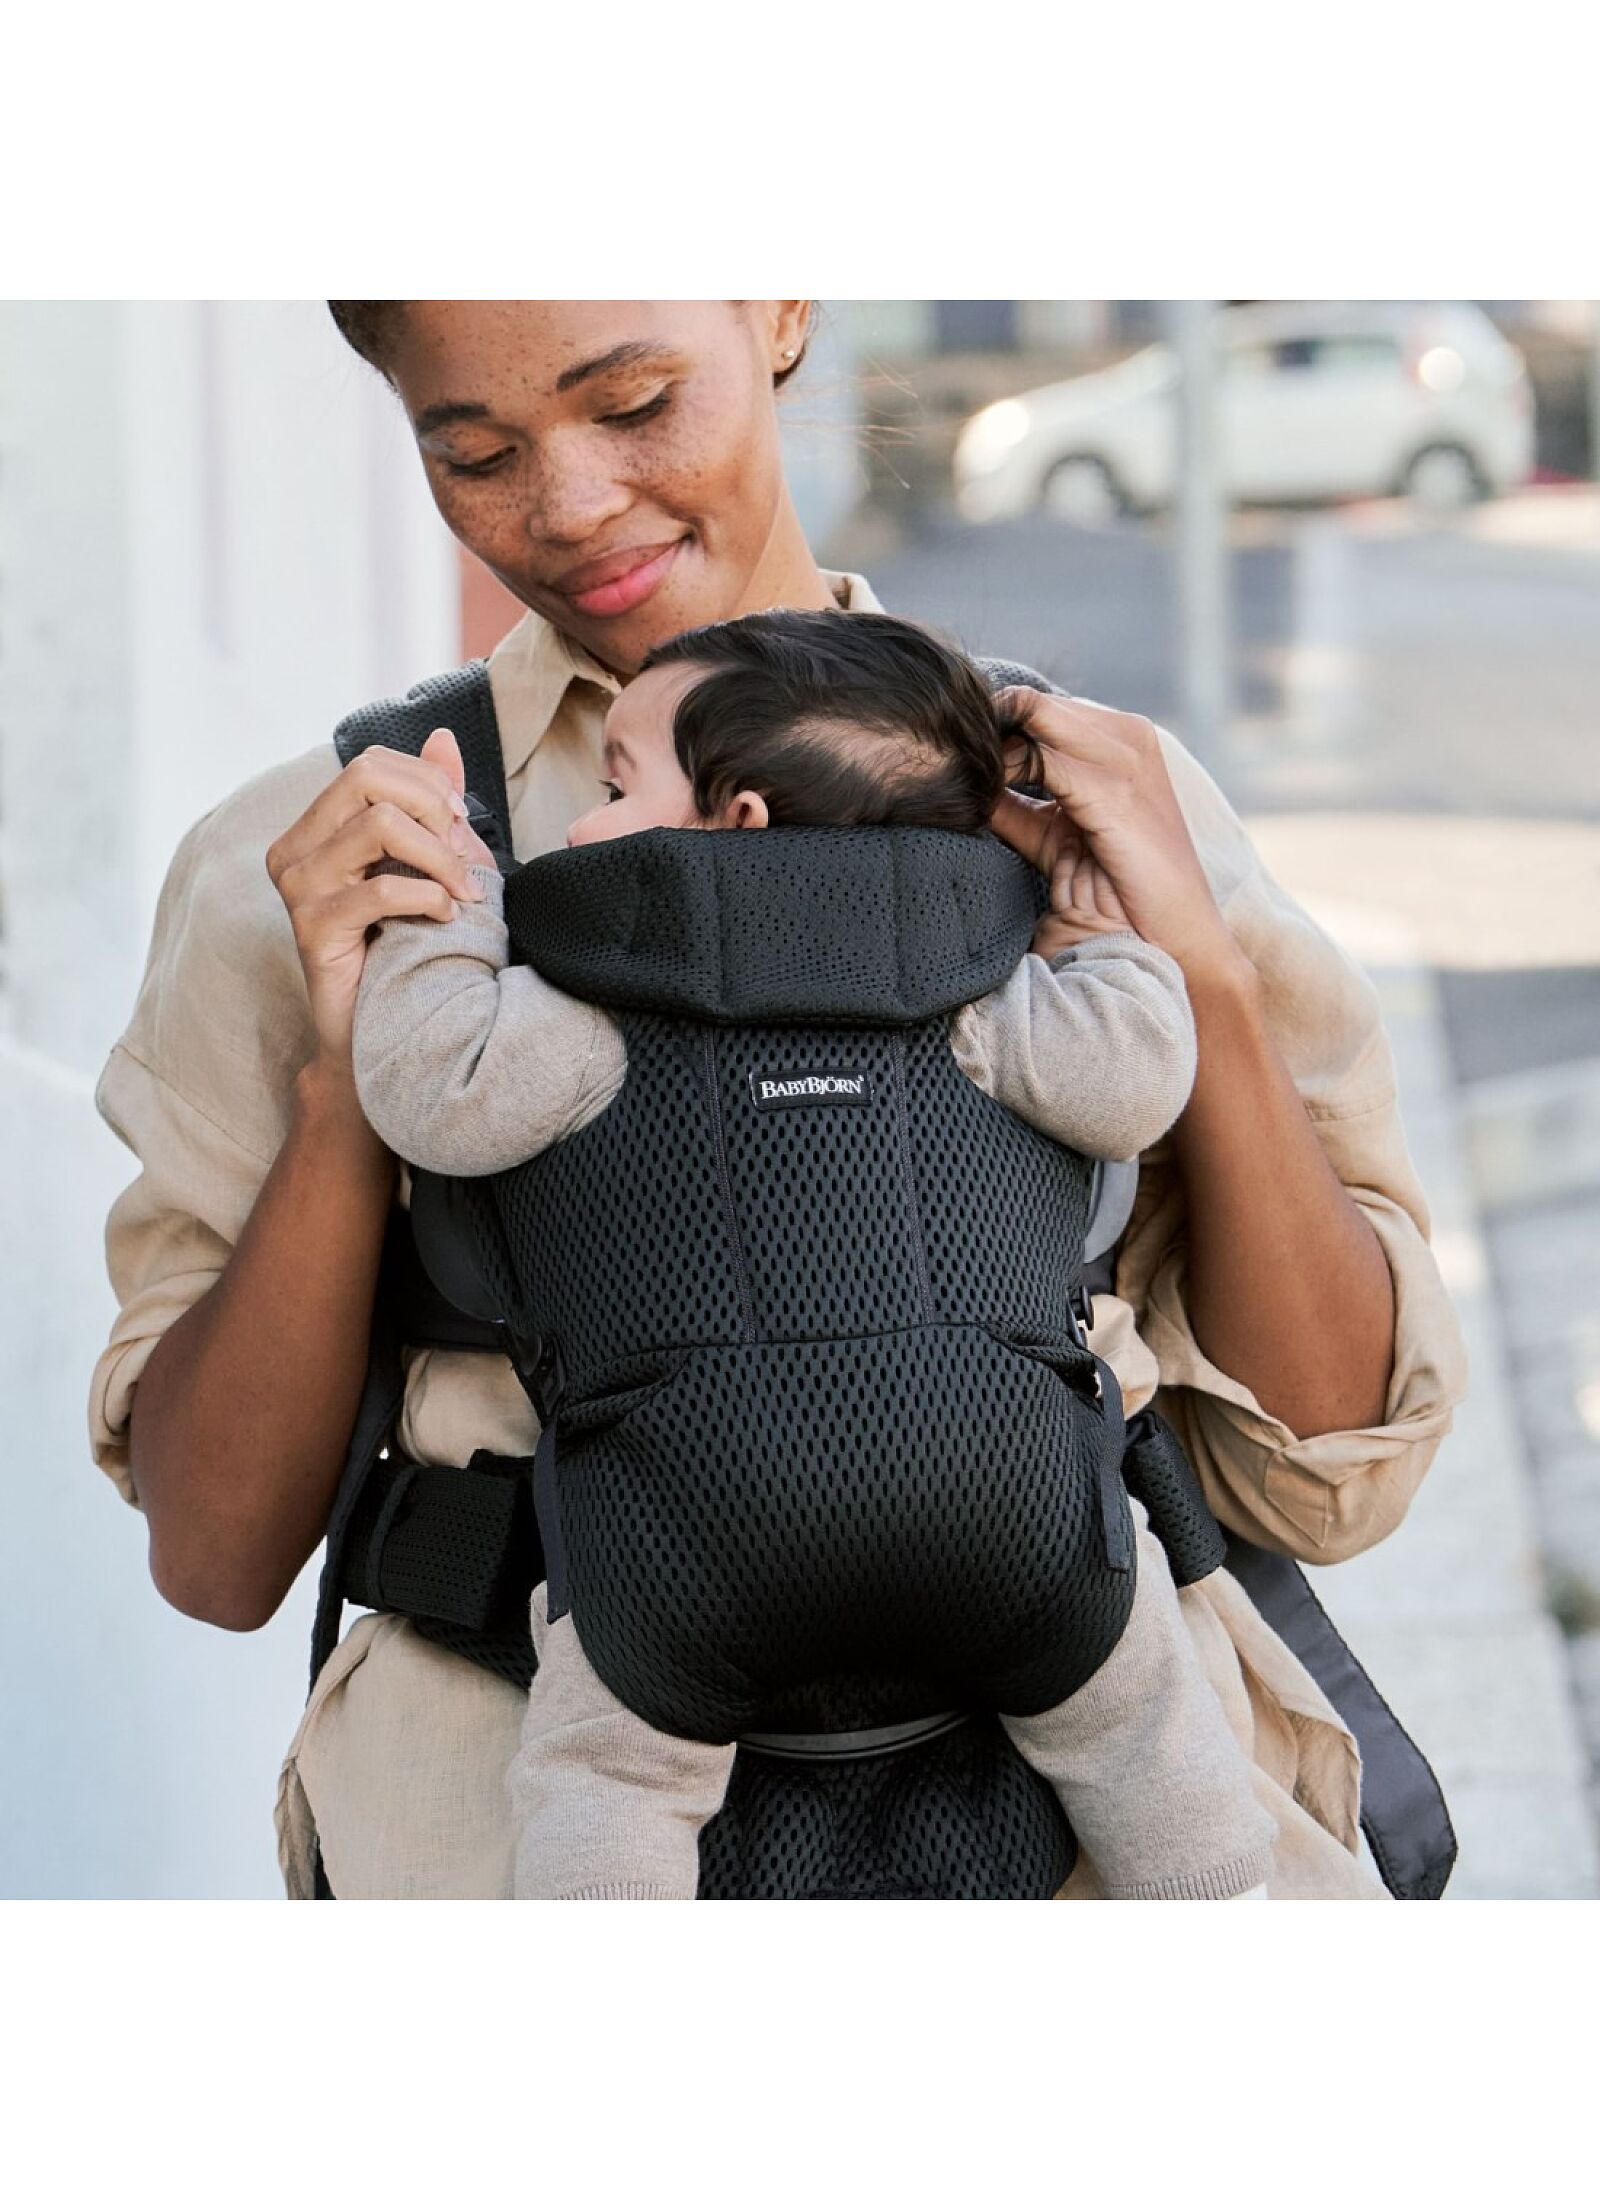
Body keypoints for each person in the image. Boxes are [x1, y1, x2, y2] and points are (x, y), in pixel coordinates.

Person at [87, 301, 1469, 1899]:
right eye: (474, 453)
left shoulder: (1079, 798)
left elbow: (1328, 1465)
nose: (572, 504)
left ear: (785, 305)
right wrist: (353, 1087)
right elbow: (216, 1552)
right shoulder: (334, 858)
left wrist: (1200, 977)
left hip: (1097, 1830)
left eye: (637, 401)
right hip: (516, 1815)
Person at [348, 606, 1281, 1902]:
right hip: (1003, 1509)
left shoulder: (580, 1011)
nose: (576, 827)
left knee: (607, 1785)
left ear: (735, 823)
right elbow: (1134, 1081)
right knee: (1138, 1733)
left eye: (619, 786)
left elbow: (427, 1085)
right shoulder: (981, 996)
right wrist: (1088, 929)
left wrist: (451, 900)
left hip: (683, 1535)